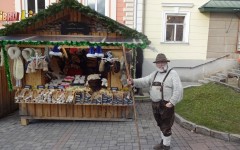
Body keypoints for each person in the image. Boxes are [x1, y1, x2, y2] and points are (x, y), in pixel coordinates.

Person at [128, 53, 183, 150]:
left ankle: (166, 146)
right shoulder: (155, 74)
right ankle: (163, 143)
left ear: (166, 62)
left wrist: (172, 102)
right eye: (158, 63)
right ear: (156, 64)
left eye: (162, 62)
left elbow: (178, 89)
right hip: (155, 105)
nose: (160, 64)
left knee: (166, 126)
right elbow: (144, 81)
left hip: (166, 105)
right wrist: (133, 81)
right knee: (161, 124)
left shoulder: (172, 73)